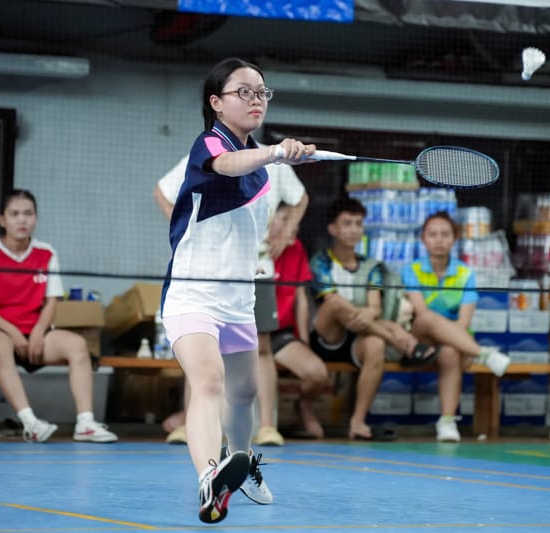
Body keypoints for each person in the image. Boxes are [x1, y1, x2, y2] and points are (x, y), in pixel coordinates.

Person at [160, 57, 315, 523]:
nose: (255, 99)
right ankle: (210, 478)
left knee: (244, 393)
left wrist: (285, 211)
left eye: (261, 92)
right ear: (216, 102)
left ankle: (242, 464)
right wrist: (275, 153)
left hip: (239, 299)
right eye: (243, 92)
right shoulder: (210, 143)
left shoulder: (266, 171)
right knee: (209, 382)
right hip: (192, 294)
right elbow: (227, 164)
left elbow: (276, 193)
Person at [154, 133, 308, 449]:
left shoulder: (274, 157)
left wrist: (288, 229)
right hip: (206, 273)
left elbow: (300, 199)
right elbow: (162, 191)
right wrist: (188, 230)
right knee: (201, 351)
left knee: (261, 349)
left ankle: (266, 427)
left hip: (257, 268)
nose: (254, 108)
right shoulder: (205, 152)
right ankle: (191, 423)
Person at [0, 189, 117, 444]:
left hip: (36, 331)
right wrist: (13, 333)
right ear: (2, 220)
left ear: (36, 218)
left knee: (78, 346)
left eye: (28, 213)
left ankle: (85, 423)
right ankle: (30, 423)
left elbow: (52, 301)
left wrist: (39, 332)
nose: (22, 219)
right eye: (14, 214)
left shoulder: (46, 252)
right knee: (0, 348)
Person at [309, 196, 434, 441]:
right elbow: (332, 303)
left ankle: (357, 422)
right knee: (335, 303)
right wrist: (386, 328)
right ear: (332, 229)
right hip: (328, 337)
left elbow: (374, 307)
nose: (354, 229)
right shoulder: (320, 262)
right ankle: (400, 341)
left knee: (376, 345)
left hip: (360, 335)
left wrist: (368, 314)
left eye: (358, 223)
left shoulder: (372, 267)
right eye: (347, 223)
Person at [402, 211, 511, 442]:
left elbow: (464, 322)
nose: (439, 240)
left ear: (455, 238)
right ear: (423, 239)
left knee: (450, 352)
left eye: (445, 234)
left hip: (455, 340)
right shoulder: (411, 270)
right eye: (433, 234)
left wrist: (449, 338)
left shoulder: (465, 274)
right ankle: (483, 353)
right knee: (428, 319)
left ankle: (447, 421)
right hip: (420, 338)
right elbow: (420, 313)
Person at [269, 204, 328, 439]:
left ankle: (303, 405)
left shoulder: (296, 249)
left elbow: (301, 300)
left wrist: (303, 341)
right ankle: (189, 417)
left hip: (279, 334)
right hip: (247, 335)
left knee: (318, 374)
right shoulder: (250, 249)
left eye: (294, 220)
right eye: (284, 220)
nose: (292, 226)